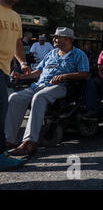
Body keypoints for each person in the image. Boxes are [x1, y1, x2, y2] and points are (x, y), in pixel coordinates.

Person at [5, 27, 89, 157]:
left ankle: (29, 142)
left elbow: (84, 74)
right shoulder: (52, 53)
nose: (54, 39)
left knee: (39, 97)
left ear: (67, 39)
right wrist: (22, 76)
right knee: (15, 97)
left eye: (57, 37)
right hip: (39, 85)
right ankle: (8, 140)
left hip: (62, 86)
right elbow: (37, 72)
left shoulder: (79, 54)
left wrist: (66, 76)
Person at [0, 0, 31, 171]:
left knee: (1, 112)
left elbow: (18, 43)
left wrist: (23, 63)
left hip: (3, 70)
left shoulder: (16, 17)